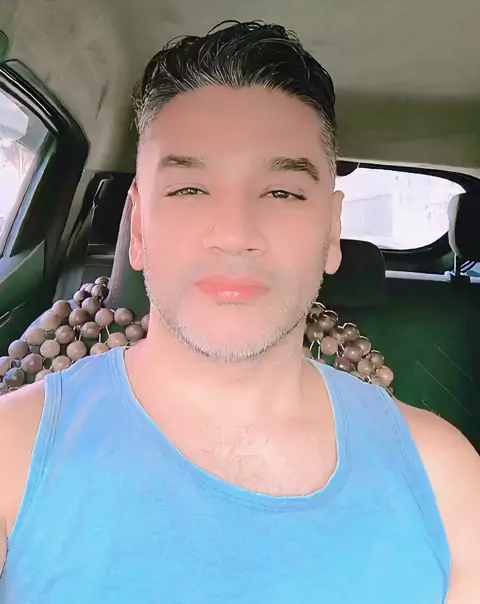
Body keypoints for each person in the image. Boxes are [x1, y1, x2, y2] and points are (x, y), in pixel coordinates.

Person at [0, 20, 478, 603]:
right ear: (139, 228)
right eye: (189, 190)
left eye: (282, 192)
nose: (234, 233)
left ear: (332, 230)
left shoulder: (446, 477)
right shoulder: (12, 451)